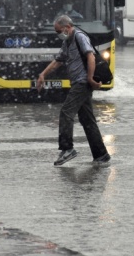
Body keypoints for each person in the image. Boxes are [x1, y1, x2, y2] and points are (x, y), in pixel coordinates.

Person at [36, 15, 111, 166]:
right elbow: (58, 61)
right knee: (87, 120)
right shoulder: (67, 41)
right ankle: (101, 155)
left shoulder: (79, 37)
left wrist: (90, 79)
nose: (58, 34)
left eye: (59, 31)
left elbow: (91, 57)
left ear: (67, 27)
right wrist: (43, 74)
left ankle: (67, 148)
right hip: (78, 83)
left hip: (82, 83)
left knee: (66, 112)